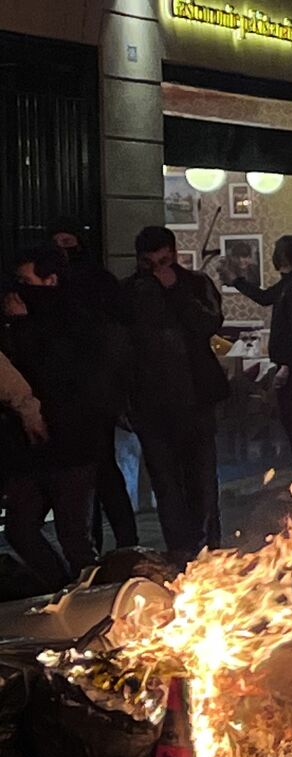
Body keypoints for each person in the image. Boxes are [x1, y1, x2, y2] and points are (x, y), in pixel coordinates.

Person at [121, 227, 228, 562]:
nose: (156, 268)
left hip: (195, 398)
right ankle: (181, 554)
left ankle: (208, 552)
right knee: (166, 488)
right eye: (148, 263)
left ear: (174, 255)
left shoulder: (194, 284)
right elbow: (122, 348)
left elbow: (209, 323)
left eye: (163, 261)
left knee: (202, 485)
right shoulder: (129, 293)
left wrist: (177, 290)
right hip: (150, 403)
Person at [0, 247, 105, 590]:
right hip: (31, 445)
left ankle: (93, 602)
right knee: (21, 527)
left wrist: (23, 323)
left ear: (50, 281)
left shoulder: (72, 319)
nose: (18, 290)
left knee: (74, 535)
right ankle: (59, 588)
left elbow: (54, 369)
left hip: (71, 442)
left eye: (26, 281)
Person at [50, 217, 139, 550]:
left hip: (92, 392)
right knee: (97, 471)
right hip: (83, 391)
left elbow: (113, 338)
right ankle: (110, 542)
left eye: (67, 243)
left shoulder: (90, 285)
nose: (63, 252)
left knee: (98, 469)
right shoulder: (91, 284)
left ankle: (113, 542)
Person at [218, 235, 292, 467]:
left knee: (290, 415)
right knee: (290, 415)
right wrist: (237, 281)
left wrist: (286, 365)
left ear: (283, 255)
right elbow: (266, 298)